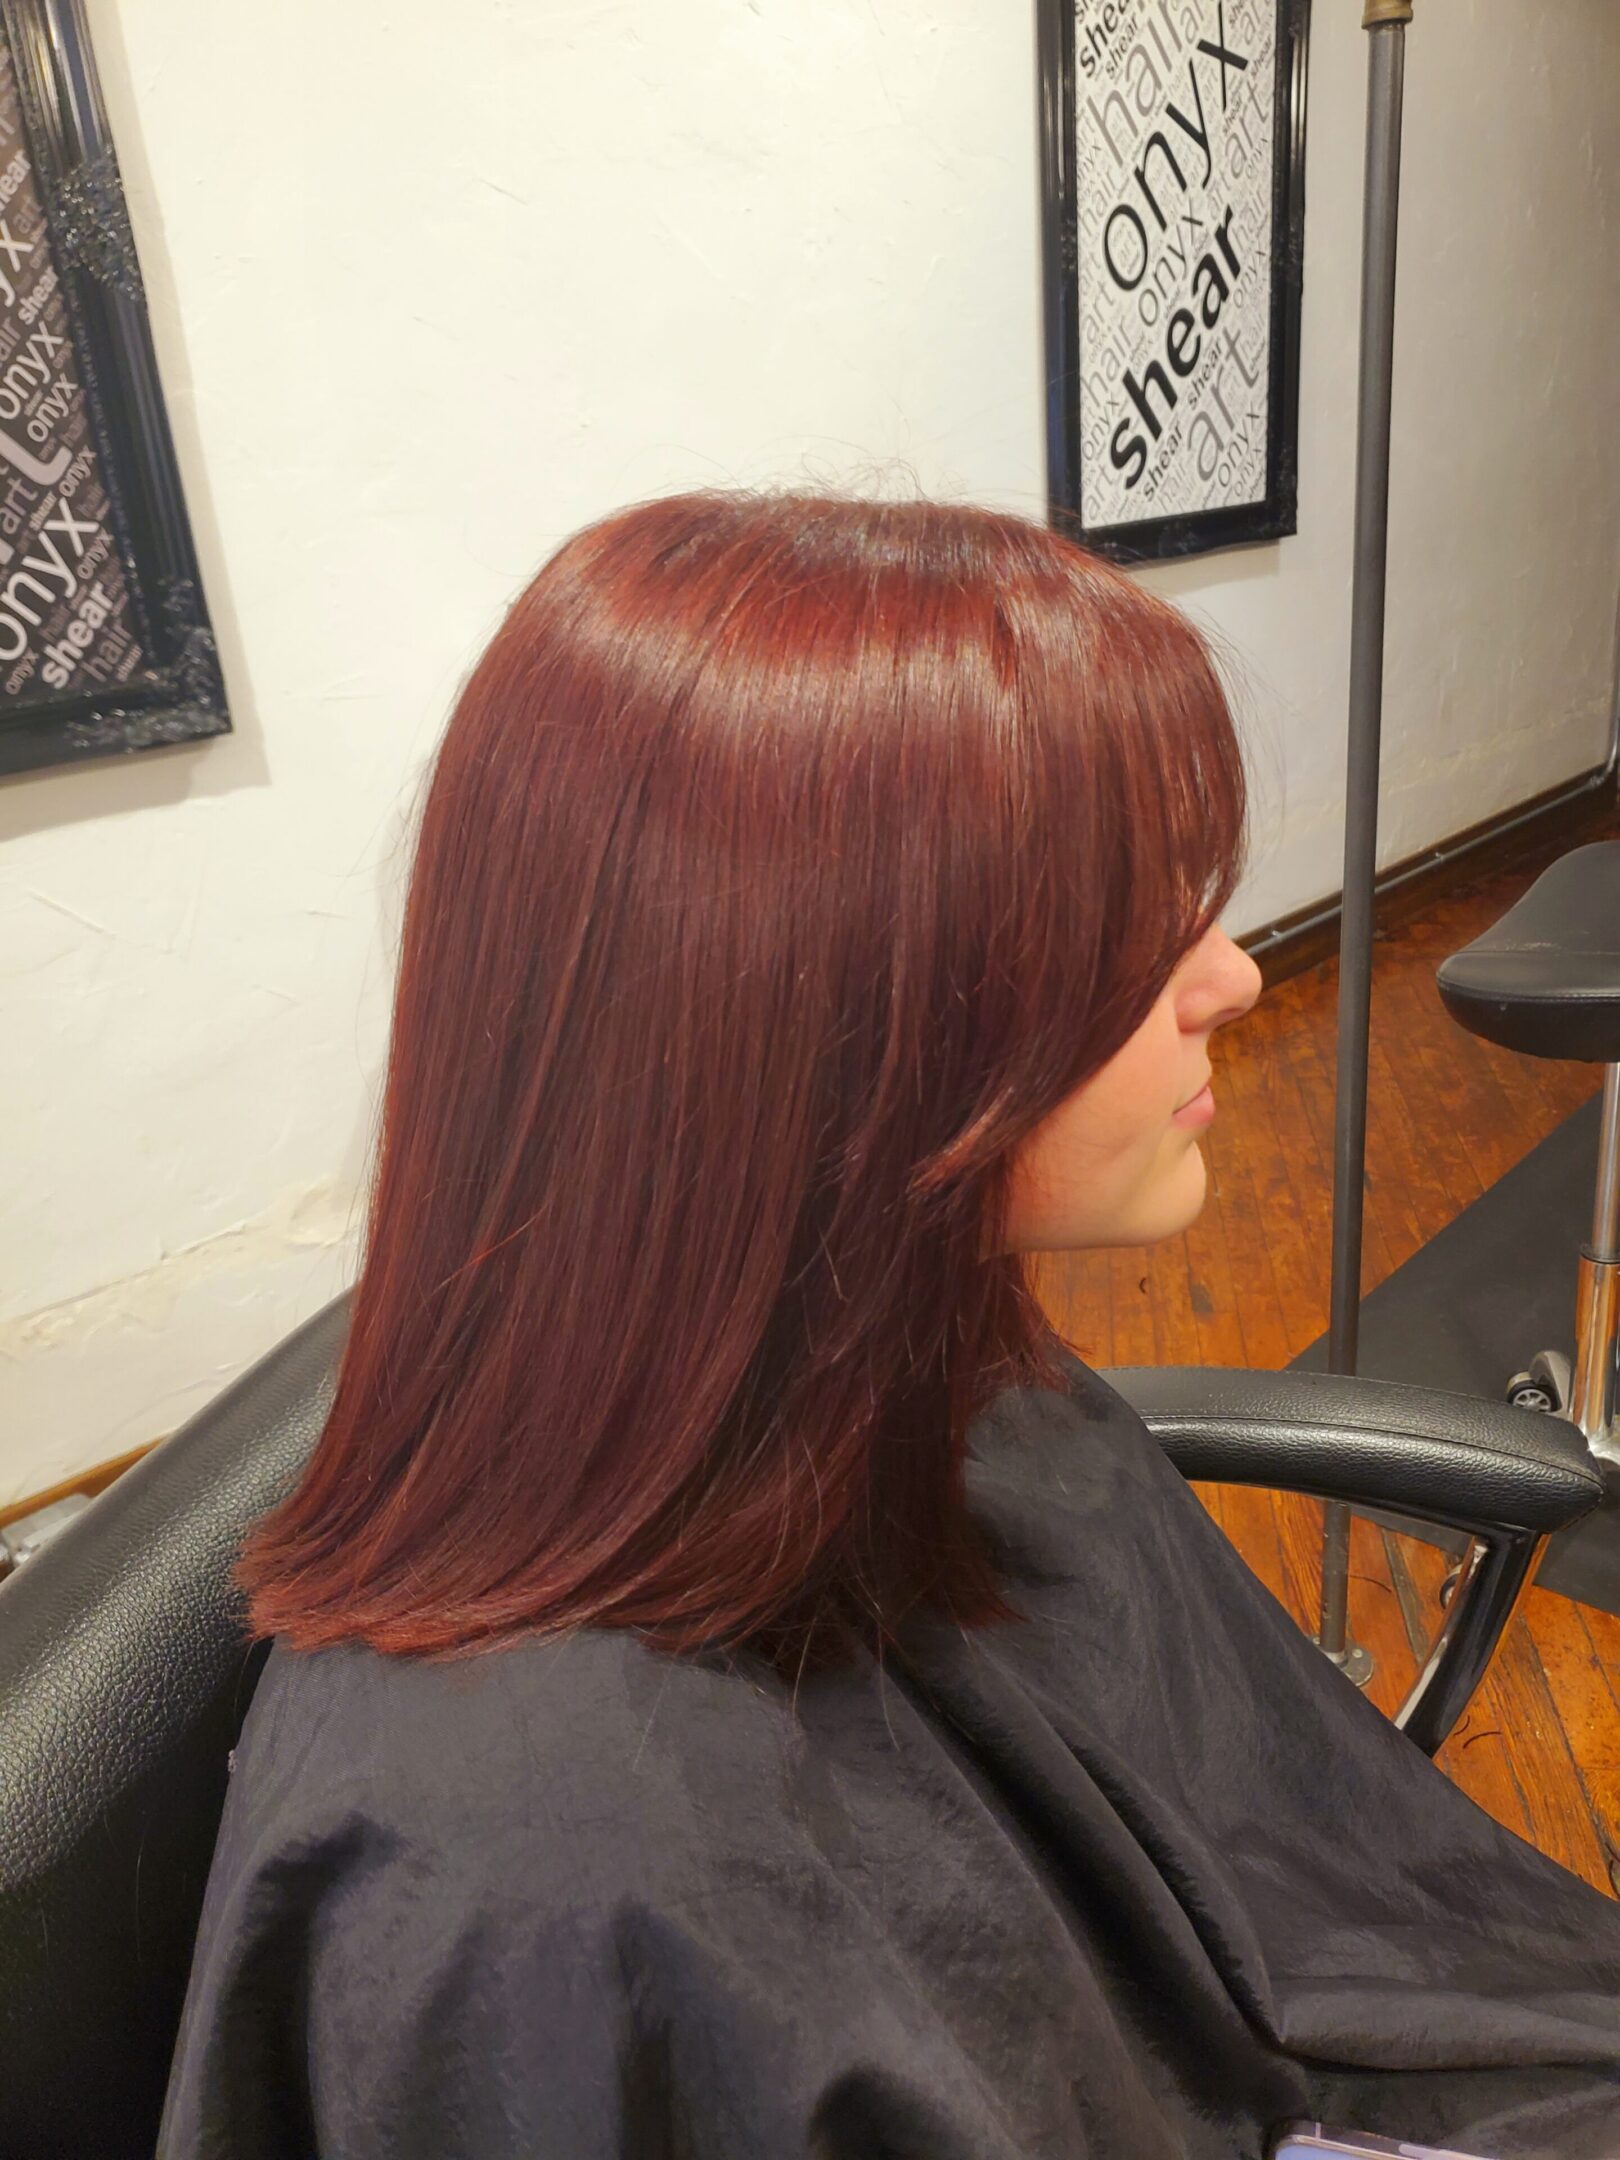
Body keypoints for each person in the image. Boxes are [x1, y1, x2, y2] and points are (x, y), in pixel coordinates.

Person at [157, 490, 1620, 2159]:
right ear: (853, 1028)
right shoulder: (549, 1881)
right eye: (1136, 937)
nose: (1233, 977)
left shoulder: (887, 1367)